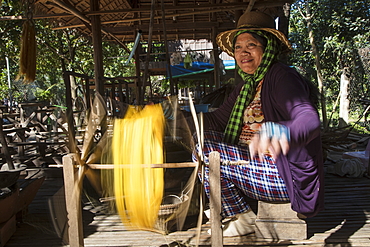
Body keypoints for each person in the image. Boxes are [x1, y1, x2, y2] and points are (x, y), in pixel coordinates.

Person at [190, 10, 324, 237]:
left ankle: (240, 217)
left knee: (206, 152)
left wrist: (280, 130)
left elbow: (309, 119)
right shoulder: (246, 86)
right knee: (201, 140)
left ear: (267, 47)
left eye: (251, 45)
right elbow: (215, 120)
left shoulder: (282, 76)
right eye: (238, 47)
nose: (244, 53)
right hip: (252, 165)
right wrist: (175, 118)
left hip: (282, 174)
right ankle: (237, 211)